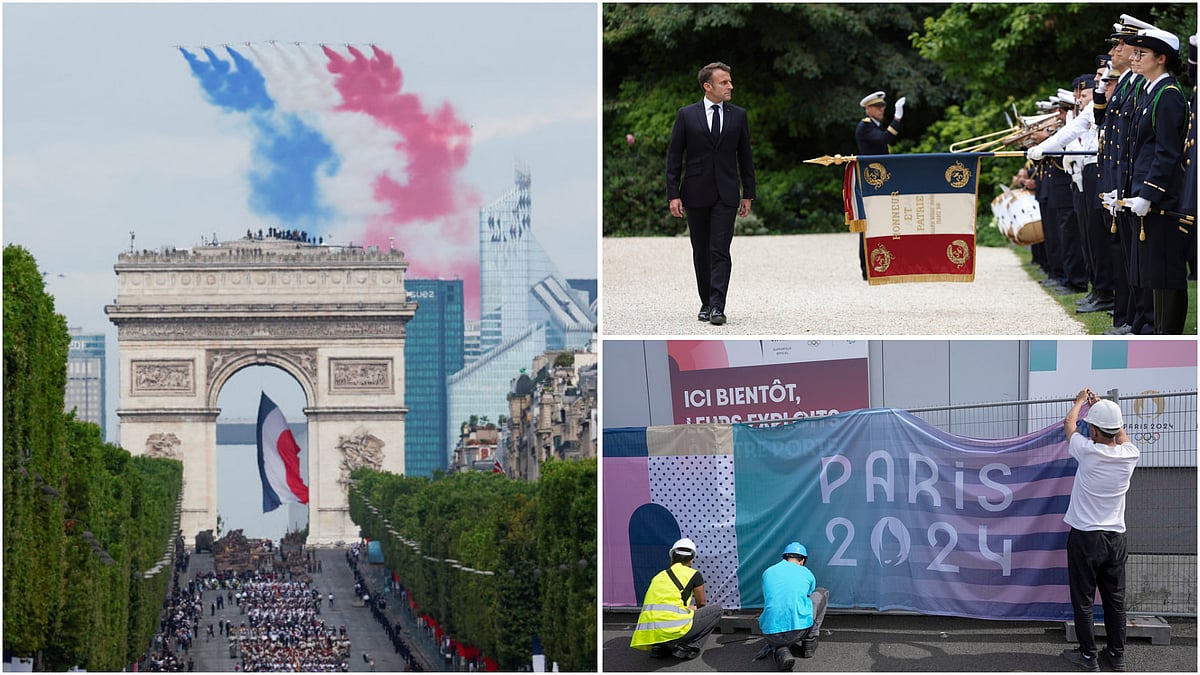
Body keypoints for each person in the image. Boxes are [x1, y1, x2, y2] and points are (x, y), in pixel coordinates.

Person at [667, 62, 757, 326]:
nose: (730, 86)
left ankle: (718, 305)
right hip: (695, 192)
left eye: (730, 81)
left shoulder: (738, 115)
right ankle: (706, 302)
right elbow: (674, 157)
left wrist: (748, 193)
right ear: (708, 86)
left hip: (726, 193)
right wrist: (673, 194)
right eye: (724, 82)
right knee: (701, 250)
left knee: (720, 250)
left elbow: (745, 157)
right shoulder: (687, 115)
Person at [1060, 389, 1139, 672]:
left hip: (1085, 537)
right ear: (1117, 428)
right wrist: (1103, 408)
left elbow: (1069, 424)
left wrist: (1081, 401)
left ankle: (1088, 656)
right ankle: (1116, 656)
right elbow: (1120, 436)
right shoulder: (1130, 455)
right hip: (1115, 538)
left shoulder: (1087, 451)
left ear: (1093, 430)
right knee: (1115, 600)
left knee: (1083, 600)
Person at [1124, 27, 1190, 334]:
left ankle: (1167, 333)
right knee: (1150, 269)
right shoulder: (1151, 92)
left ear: (1161, 58)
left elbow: (1166, 152)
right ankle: (1153, 328)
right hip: (1147, 192)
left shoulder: (1168, 95)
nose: (1134, 58)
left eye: (1141, 53)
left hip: (1163, 197)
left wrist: (1149, 193)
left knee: (1165, 269)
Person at [629, 537, 723, 659]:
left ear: (672, 558)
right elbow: (702, 604)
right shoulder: (694, 575)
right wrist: (695, 613)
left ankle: (659, 647)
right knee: (717, 610)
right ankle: (688, 647)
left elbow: (664, 604)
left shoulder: (658, 576)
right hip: (673, 630)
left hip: (650, 634)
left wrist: (688, 609)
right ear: (692, 560)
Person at [854, 91, 905, 280]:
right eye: (877, 107)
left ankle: (880, 264)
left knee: (881, 222)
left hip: (879, 180)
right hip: (871, 181)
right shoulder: (865, 126)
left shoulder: (873, 126)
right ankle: (867, 268)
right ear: (868, 109)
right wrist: (897, 118)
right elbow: (885, 139)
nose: (881, 109)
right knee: (869, 224)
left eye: (882, 106)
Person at [754, 542, 829, 672]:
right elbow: (807, 596)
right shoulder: (806, 573)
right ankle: (809, 642)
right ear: (802, 560)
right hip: (799, 630)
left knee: (776, 613)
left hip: (770, 632)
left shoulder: (768, 572)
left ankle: (781, 650)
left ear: (785, 557)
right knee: (821, 592)